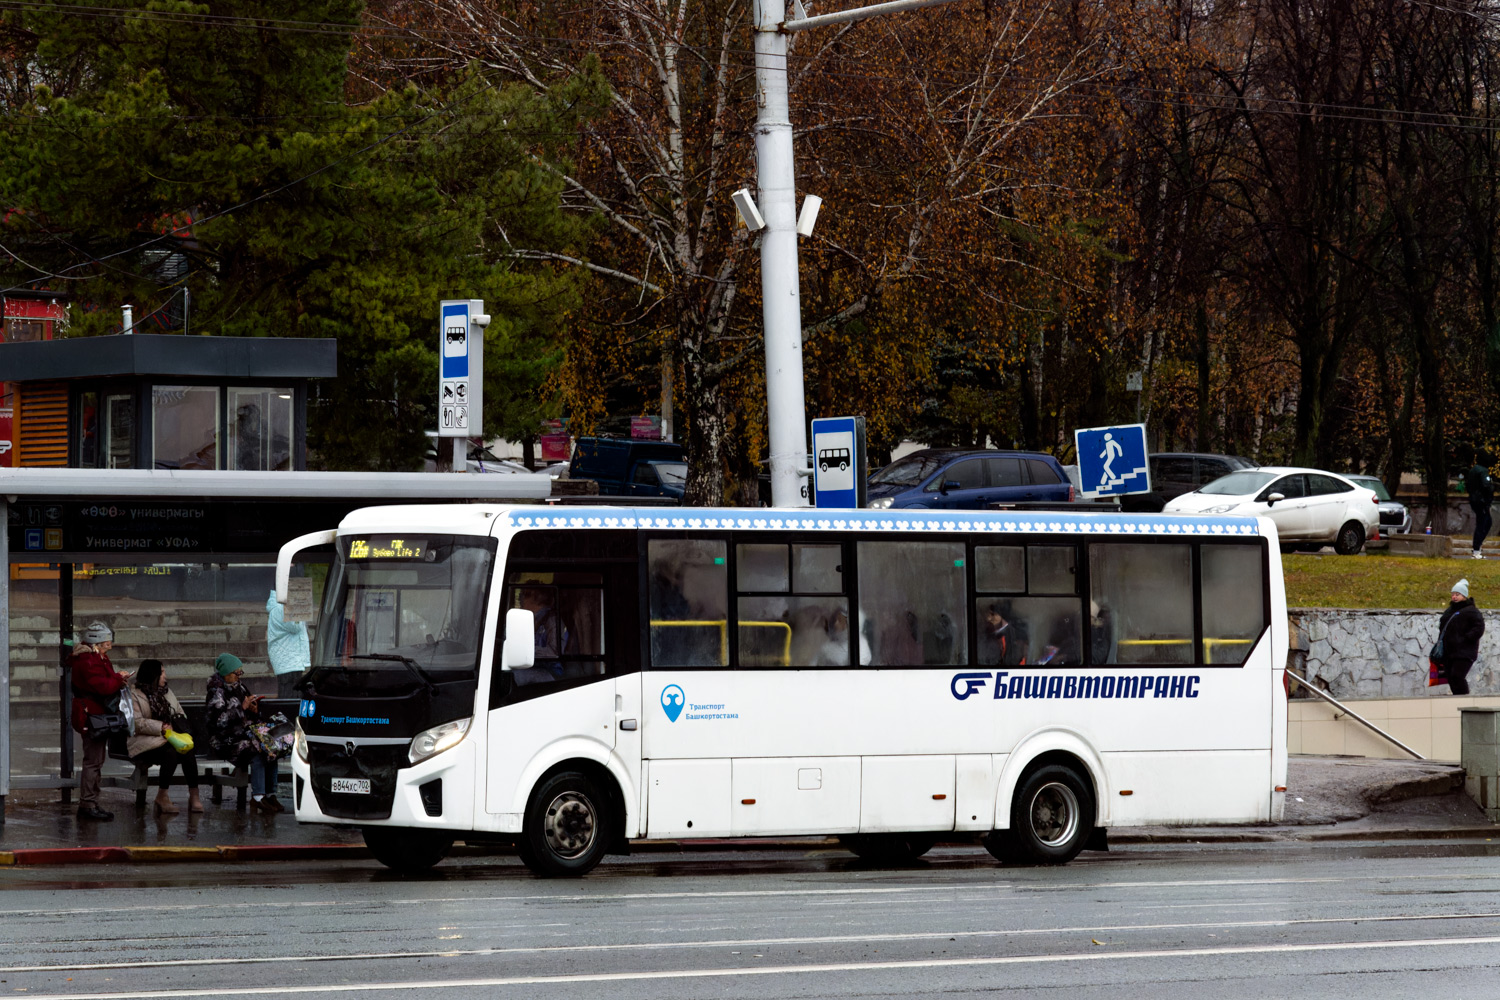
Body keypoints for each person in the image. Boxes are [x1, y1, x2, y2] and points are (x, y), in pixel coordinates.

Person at [203, 653, 282, 813]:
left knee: (272, 747)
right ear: (226, 673)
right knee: (258, 750)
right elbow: (219, 722)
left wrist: (254, 710)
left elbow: (248, 713)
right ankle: (258, 797)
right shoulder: (216, 692)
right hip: (224, 740)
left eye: (240, 673)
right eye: (236, 673)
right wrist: (241, 708)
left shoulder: (240, 686)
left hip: (244, 734)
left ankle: (270, 794)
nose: (239, 676)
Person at [127, 659, 203, 815]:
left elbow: (180, 712)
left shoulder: (167, 692)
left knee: (187, 750)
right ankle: (163, 796)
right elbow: (136, 722)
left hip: (169, 736)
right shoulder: (134, 694)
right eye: (162, 672)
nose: (165, 676)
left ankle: (194, 795)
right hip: (144, 741)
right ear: (152, 674)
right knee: (171, 752)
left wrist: (176, 725)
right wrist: (160, 727)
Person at [69, 621, 127, 821]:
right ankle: (87, 803)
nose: (109, 646)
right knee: (93, 760)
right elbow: (102, 686)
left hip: (95, 713)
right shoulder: (88, 661)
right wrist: (119, 679)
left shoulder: (95, 658)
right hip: (91, 714)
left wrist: (118, 678)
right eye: (105, 643)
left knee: (96, 759)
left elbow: (106, 682)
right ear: (96, 643)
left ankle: (91, 802)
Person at [1437, 579, 1486, 696]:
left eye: (1457, 594)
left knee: (1457, 676)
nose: (1454, 597)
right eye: (1453, 594)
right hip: (1449, 652)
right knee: (1450, 677)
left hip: (1465, 652)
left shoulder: (1471, 611)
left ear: (1464, 595)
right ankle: (1457, 699)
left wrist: (1466, 638)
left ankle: (1464, 700)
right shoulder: (1450, 610)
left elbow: (1479, 627)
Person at [265, 589, 310, 699]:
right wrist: (300, 607)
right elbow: (296, 627)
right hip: (288, 661)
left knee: (291, 695)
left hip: (289, 660)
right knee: (290, 697)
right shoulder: (281, 608)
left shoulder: (281, 607)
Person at [1467, 454, 1495, 560]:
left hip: (1475, 500)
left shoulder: (1473, 470)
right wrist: (1490, 492)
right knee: (1484, 523)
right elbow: (1486, 485)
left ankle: (1477, 547)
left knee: (1485, 522)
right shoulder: (1483, 471)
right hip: (1481, 501)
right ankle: (1476, 550)